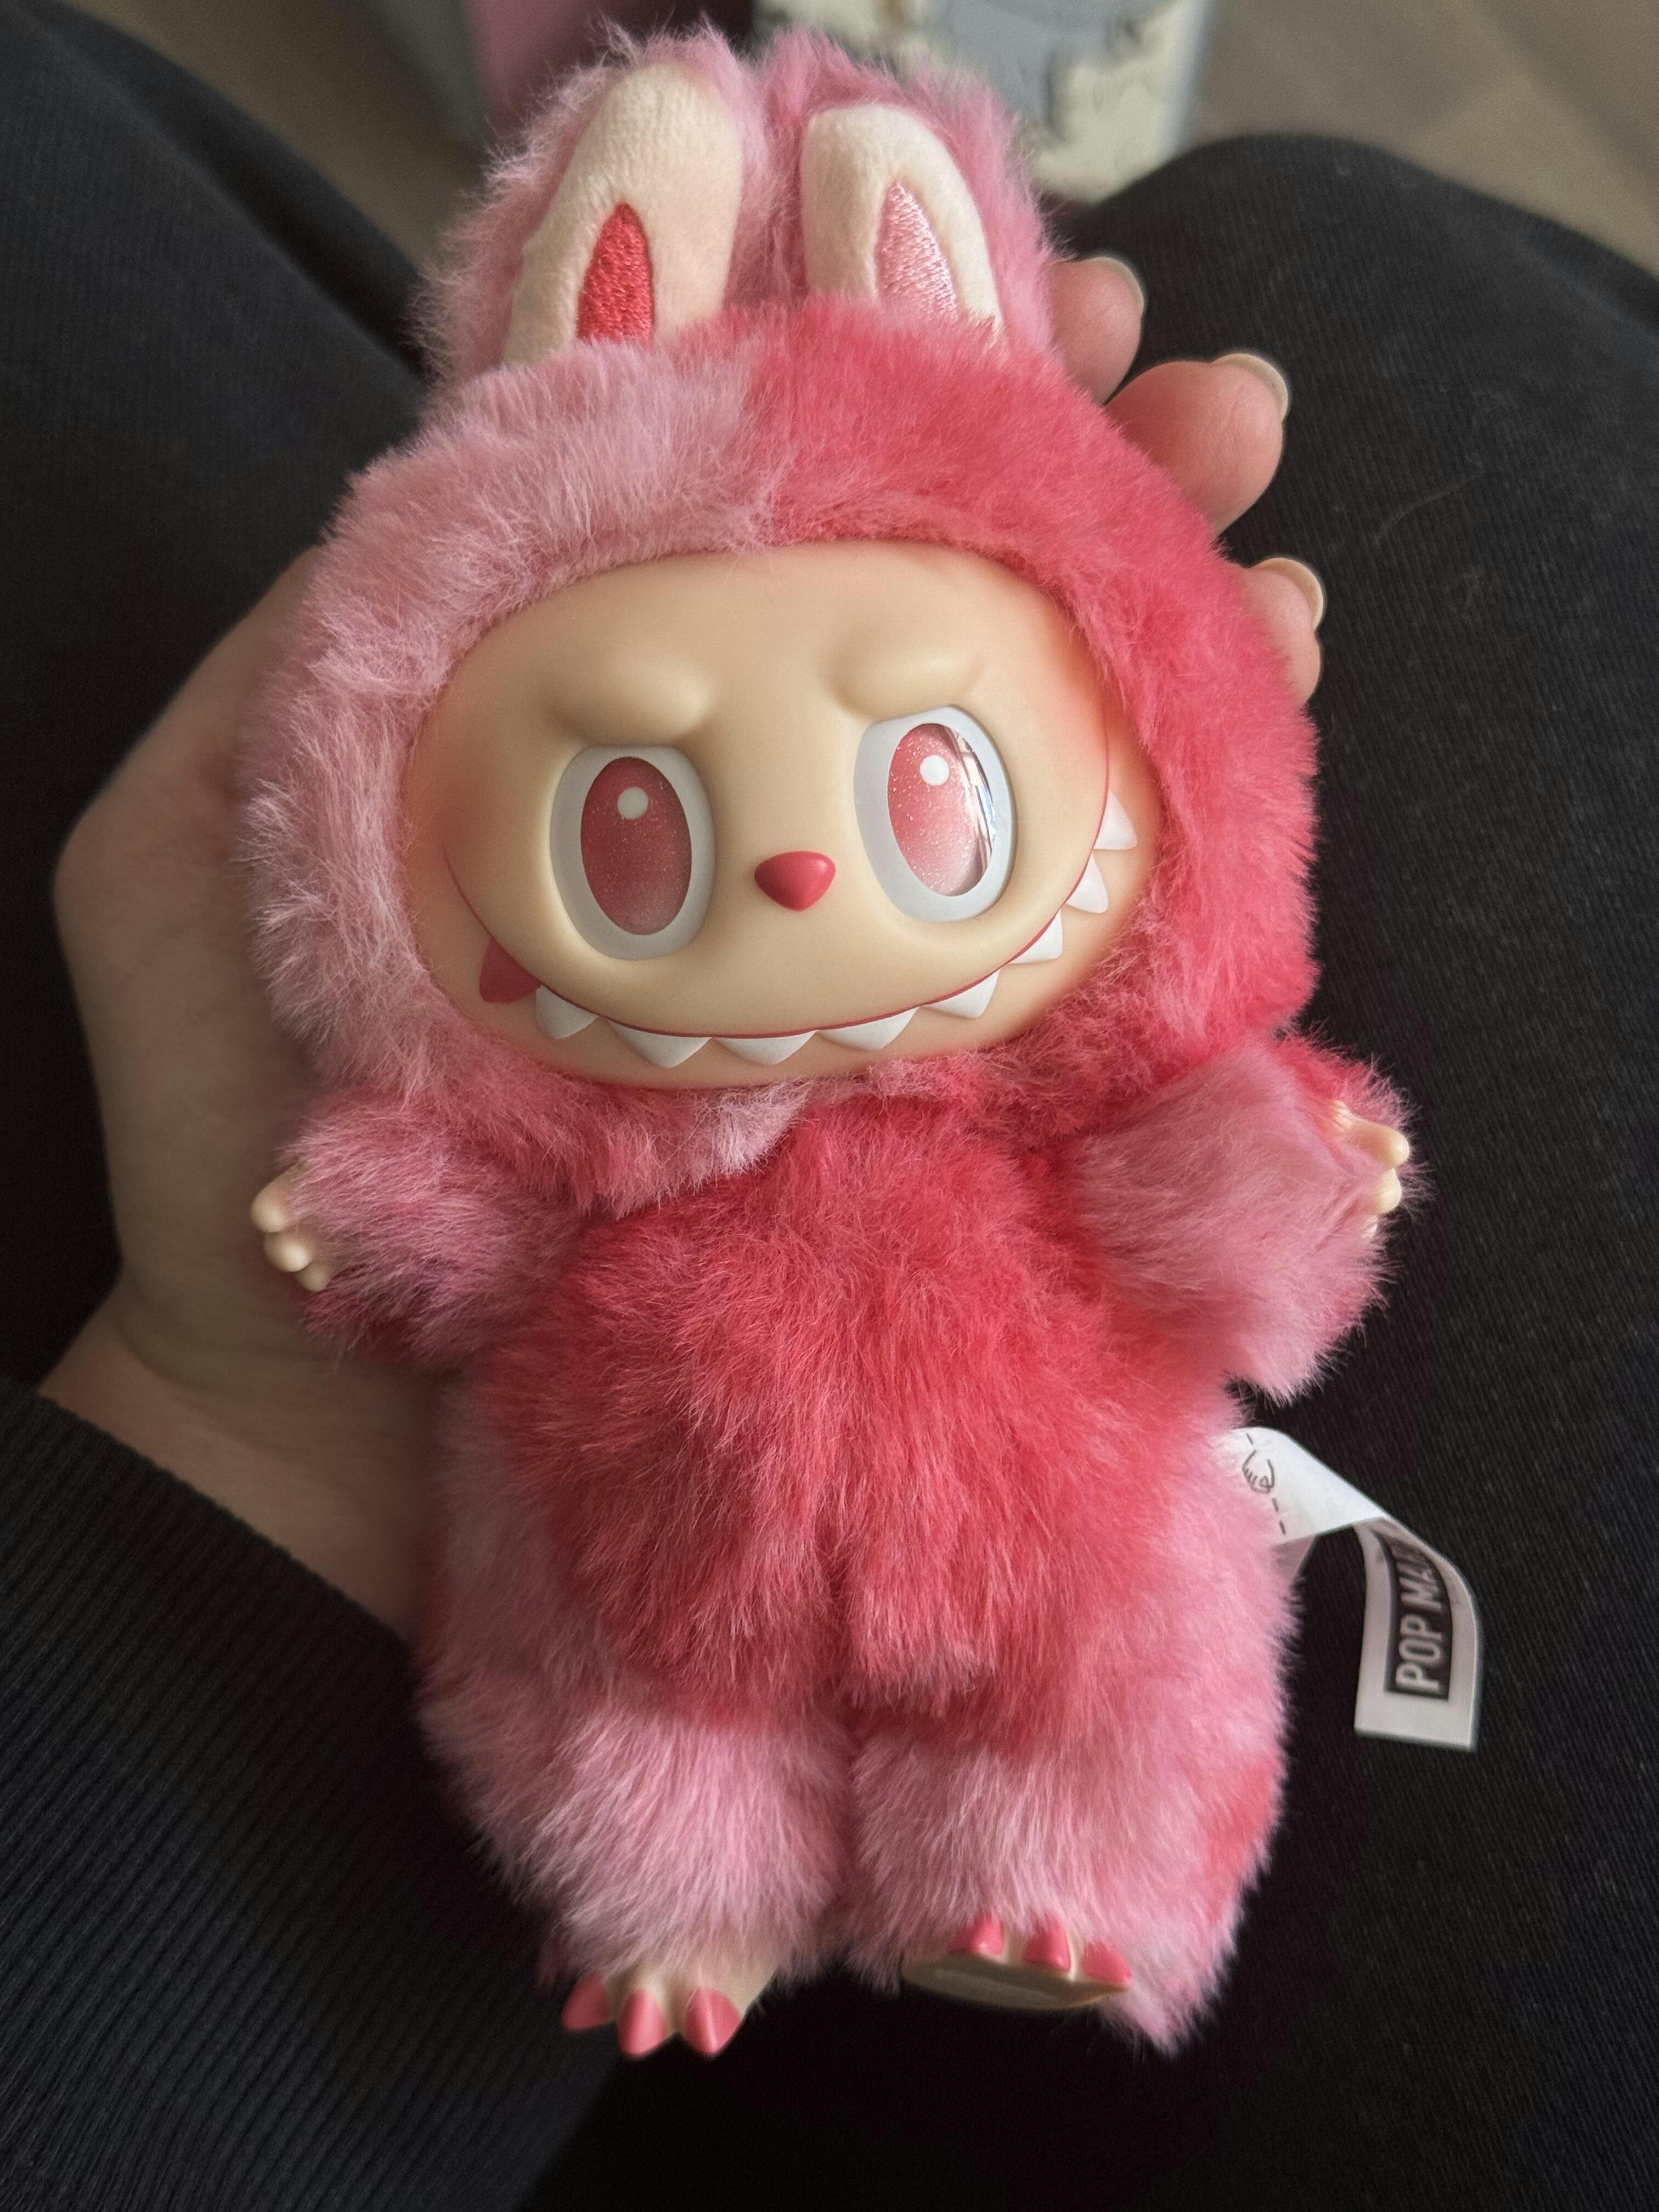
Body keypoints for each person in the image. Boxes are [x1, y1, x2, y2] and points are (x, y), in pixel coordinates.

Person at [1, 2, 1651, 2207]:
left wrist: (1283, 1157)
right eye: (638, 824)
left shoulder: (1058, 1085)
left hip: (1052, 1526)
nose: (796, 877)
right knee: (618, 1713)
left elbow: (1213, 1216)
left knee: (1112, 1663)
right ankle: (678, 1897)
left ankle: (1067, 1881)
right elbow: (449, 1228)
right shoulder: (550, 1115)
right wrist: (316, 1270)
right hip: (626, 1554)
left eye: (930, 786)